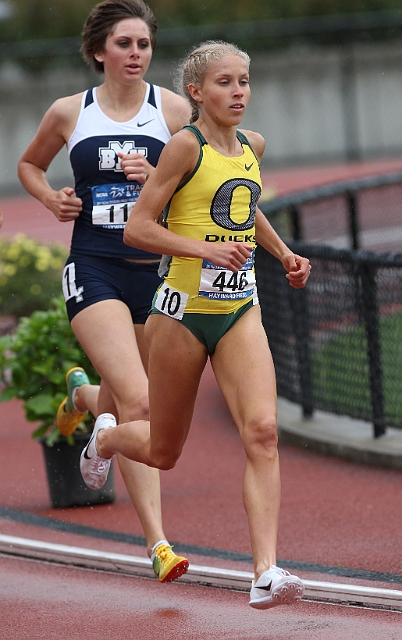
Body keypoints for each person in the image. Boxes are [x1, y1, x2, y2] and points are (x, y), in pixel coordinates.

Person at [78, 39, 312, 609]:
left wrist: (282, 255)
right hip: (181, 314)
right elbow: (138, 228)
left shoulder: (253, 145)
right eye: (225, 83)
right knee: (163, 451)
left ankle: (264, 572)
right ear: (196, 92)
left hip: (239, 309)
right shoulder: (183, 148)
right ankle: (105, 436)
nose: (238, 92)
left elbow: (243, 206)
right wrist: (203, 251)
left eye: (244, 82)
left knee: (262, 432)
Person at [17, 0, 191, 583]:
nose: (136, 54)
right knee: (142, 403)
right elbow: (29, 165)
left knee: (122, 400)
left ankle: (84, 401)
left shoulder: (172, 109)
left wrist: (162, 182)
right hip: (95, 269)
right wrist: (51, 199)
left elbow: (202, 181)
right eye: (124, 44)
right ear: (99, 51)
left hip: (156, 274)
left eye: (144, 44)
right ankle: (159, 545)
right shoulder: (71, 113)